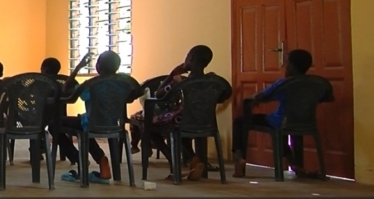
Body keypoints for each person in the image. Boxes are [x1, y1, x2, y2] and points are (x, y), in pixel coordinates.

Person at [128, 45, 215, 181]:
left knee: (149, 126)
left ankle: (175, 164)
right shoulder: (213, 81)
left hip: (181, 120)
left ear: (190, 59)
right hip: (206, 121)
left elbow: (159, 94)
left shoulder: (180, 81)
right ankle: (194, 159)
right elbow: (224, 94)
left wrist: (172, 74)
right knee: (179, 130)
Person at [232, 49, 319, 178]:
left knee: (239, 122)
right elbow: (327, 97)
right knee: (283, 129)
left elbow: (260, 96)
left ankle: (239, 158)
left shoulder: (283, 83)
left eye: (286, 63)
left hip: (279, 121)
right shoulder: (316, 84)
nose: (284, 66)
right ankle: (293, 163)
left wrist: (250, 99)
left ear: (293, 67)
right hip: (305, 121)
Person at [59, 51, 123, 185]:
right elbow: (134, 94)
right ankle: (102, 162)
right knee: (85, 127)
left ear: (98, 66)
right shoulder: (123, 83)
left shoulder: (92, 84)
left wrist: (77, 68)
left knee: (55, 123)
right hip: (114, 124)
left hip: (90, 123)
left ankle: (79, 158)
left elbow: (66, 90)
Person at [40, 57, 79, 166]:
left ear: (46, 69)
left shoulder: (41, 83)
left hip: (42, 116)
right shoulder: (63, 82)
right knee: (56, 127)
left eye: (41, 69)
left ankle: (38, 148)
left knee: (37, 126)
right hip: (60, 115)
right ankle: (73, 156)